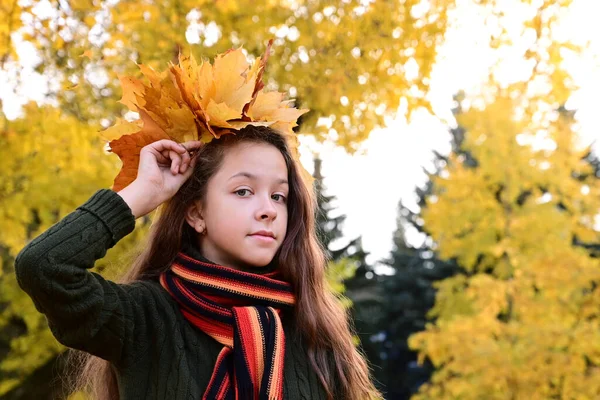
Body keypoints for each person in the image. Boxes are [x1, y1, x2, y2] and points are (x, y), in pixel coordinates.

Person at [14, 44, 381, 400]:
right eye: (243, 191)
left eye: (279, 196)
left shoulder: (313, 332)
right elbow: (43, 266)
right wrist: (143, 193)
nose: (268, 209)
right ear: (197, 213)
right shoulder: (145, 318)